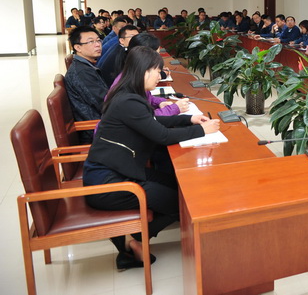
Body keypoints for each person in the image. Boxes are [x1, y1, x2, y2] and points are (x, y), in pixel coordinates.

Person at [83, 46, 220, 270]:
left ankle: (130, 239)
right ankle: (132, 240)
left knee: (178, 186)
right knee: (183, 203)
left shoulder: (129, 94)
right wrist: (202, 131)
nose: (160, 75)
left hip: (122, 169)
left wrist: (189, 120)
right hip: (109, 183)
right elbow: (162, 135)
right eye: (157, 70)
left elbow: (152, 122)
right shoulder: (128, 101)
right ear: (144, 71)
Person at [110, 32, 190, 117]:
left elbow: (148, 97)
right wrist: (174, 109)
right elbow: (144, 118)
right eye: (156, 54)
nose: (159, 58)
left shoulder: (135, 74)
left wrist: (160, 103)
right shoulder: (127, 91)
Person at [64, 26, 109, 143]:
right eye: (91, 42)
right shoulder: (82, 72)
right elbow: (105, 104)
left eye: (98, 40)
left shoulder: (86, 66)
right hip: (97, 131)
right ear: (77, 47)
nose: (98, 45)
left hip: (101, 124)